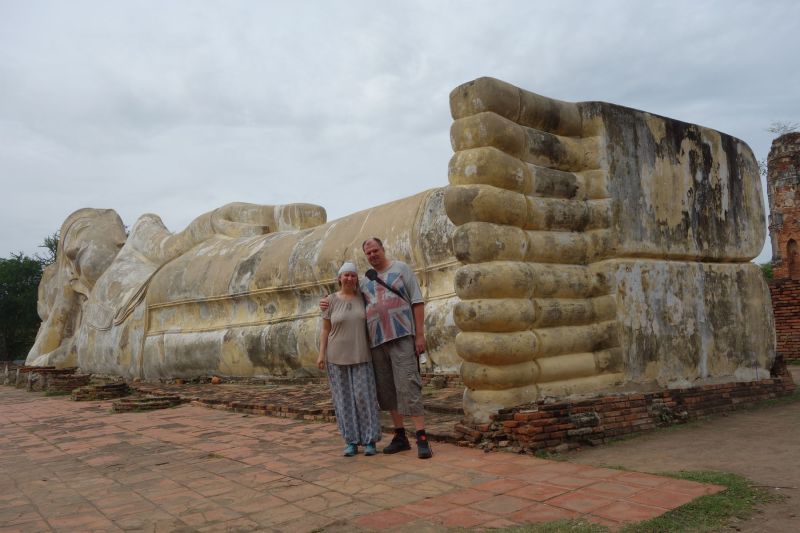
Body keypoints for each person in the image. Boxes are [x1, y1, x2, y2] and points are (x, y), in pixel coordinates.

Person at [323, 238, 432, 459]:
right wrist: (326, 301)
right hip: (376, 342)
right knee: (387, 390)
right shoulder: (364, 282)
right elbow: (347, 299)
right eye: (368, 253)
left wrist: (419, 335)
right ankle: (400, 435)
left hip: (401, 336)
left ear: (383, 250)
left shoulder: (401, 269)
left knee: (408, 384)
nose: (372, 255)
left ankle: (421, 436)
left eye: (375, 251)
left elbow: (417, 301)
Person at [317, 262, 382, 457]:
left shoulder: (364, 298)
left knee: (365, 398)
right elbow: (326, 330)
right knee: (343, 401)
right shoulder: (329, 301)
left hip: (361, 355)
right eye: (346, 275)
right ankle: (351, 441)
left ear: (356, 279)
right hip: (336, 357)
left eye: (353, 276)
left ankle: (370, 440)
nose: (349, 279)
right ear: (339, 278)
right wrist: (321, 354)